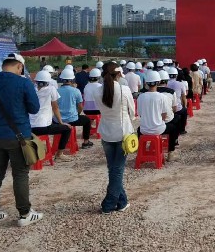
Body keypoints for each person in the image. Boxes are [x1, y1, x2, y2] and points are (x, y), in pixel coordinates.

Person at [0, 54, 43, 226]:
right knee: (20, 174)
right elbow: (34, 108)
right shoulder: (23, 83)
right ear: (20, 67)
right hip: (18, 137)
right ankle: (24, 214)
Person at [90, 62, 135, 213]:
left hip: (106, 131)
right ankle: (108, 204)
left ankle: (122, 202)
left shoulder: (97, 91)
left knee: (113, 168)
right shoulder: (124, 89)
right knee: (117, 169)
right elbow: (132, 112)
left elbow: (101, 109)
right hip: (123, 132)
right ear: (118, 74)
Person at [30, 70, 74, 162]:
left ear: (36, 81)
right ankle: (59, 154)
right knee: (67, 129)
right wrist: (61, 123)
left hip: (30, 127)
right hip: (43, 127)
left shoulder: (30, 89)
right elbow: (55, 107)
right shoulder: (51, 89)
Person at [137, 70, 179, 162]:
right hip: (158, 129)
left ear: (147, 83)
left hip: (144, 130)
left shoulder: (141, 96)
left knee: (138, 129)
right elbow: (164, 115)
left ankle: (141, 153)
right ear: (158, 82)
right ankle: (170, 153)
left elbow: (140, 114)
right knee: (173, 128)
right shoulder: (161, 97)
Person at [55, 68, 93, 149]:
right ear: (72, 79)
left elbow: (54, 107)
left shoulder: (56, 91)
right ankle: (86, 142)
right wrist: (77, 114)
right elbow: (80, 107)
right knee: (87, 120)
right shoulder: (76, 91)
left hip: (58, 120)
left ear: (61, 79)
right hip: (72, 119)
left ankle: (57, 144)